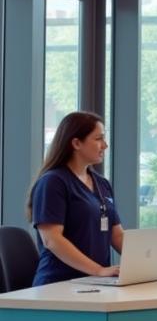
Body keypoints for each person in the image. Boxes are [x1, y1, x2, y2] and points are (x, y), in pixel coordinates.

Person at [28, 111, 123, 286]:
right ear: (76, 143)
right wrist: (99, 271)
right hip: (59, 284)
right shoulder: (53, 182)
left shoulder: (102, 184)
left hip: (95, 283)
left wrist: (146, 264)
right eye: (98, 139)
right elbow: (52, 240)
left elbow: (116, 236)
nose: (105, 145)